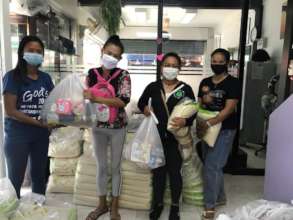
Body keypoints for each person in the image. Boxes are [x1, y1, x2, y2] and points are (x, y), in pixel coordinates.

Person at [138, 52, 196, 220]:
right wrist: (145, 109)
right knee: (158, 173)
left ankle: (175, 207)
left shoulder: (185, 89)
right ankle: (158, 204)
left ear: (179, 68)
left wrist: (185, 121)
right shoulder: (153, 87)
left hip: (175, 140)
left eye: (174, 66)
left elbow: (193, 110)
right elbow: (142, 102)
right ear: (162, 67)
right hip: (156, 138)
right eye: (167, 65)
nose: (170, 68)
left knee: (175, 172)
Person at [84, 35, 131, 220]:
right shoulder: (91, 73)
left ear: (120, 59)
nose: (111, 57)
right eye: (109, 53)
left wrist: (98, 98)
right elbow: (86, 97)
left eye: (115, 55)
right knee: (101, 167)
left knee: (115, 168)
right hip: (97, 127)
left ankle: (114, 208)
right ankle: (101, 205)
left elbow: (123, 101)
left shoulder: (123, 76)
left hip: (117, 127)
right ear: (102, 50)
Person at [2, 36, 54, 199]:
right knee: (15, 179)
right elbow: (10, 110)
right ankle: (12, 212)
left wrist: (61, 118)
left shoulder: (45, 78)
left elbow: (52, 103)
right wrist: (38, 123)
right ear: (21, 52)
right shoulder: (12, 77)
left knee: (39, 175)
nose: (35, 54)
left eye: (39, 51)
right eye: (31, 50)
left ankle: (38, 209)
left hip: (40, 135)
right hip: (18, 134)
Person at [197, 48, 241, 219]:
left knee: (212, 166)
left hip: (224, 129)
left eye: (220, 61)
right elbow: (199, 104)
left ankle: (210, 206)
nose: (216, 64)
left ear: (227, 63)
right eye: (213, 61)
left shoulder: (233, 83)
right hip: (206, 128)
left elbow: (229, 109)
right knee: (212, 164)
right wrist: (200, 123)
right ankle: (220, 197)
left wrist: (209, 123)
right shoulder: (205, 82)